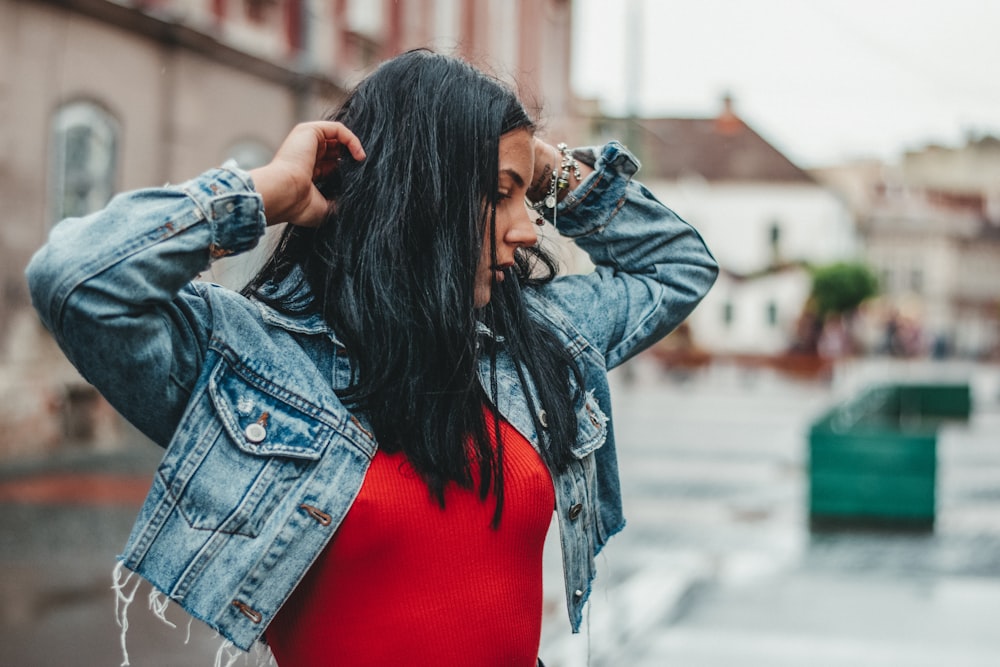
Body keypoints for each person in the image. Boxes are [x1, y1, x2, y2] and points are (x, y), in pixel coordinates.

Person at [26, 50, 717, 666]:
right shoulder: (256, 359)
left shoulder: (535, 337)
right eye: (500, 194)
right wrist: (267, 191)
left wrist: (542, 168)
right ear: (424, 196)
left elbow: (680, 263)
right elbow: (78, 280)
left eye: (524, 195)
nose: (527, 225)